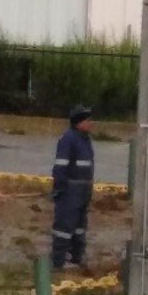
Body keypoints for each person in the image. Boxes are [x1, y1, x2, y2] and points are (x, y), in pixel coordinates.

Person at [51, 104, 95, 270]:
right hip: (70, 191)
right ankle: (58, 262)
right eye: (88, 120)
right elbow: (60, 165)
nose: (91, 123)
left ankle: (76, 257)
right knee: (64, 226)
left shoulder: (85, 139)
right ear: (78, 122)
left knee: (79, 226)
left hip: (83, 191)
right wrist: (60, 187)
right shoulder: (68, 139)